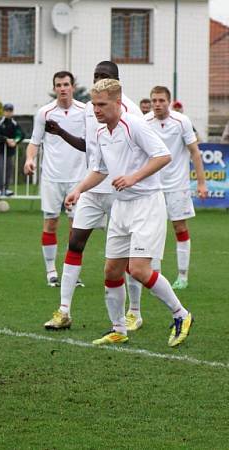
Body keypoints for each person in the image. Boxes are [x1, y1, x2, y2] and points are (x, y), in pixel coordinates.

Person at [64, 78, 193, 347]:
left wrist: (134, 177)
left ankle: (181, 314)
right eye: (94, 105)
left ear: (118, 103)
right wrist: (79, 190)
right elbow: (99, 170)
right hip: (121, 206)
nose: (96, 110)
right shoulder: (100, 133)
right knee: (112, 270)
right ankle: (118, 329)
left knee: (138, 269)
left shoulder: (134, 125)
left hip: (147, 204)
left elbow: (163, 155)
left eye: (102, 105)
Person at [42, 61, 144, 331]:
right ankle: (63, 311)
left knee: (129, 255)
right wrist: (62, 133)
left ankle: (134, 311)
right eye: (96, 75)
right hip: (92, 185)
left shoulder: (131, 111)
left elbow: (141, 152)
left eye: (105, 76)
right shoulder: (91, 108)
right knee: (75, 243)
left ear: (117, 82)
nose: (99, 80)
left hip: (120, 191)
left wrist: (131, 179)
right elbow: (91, 148)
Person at [24, 71, 87, 287]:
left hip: (78, 178)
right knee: (50, 223)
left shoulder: (85, 111)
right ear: (54, 88)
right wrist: (29, 159)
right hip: (52, 176)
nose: (62, 88)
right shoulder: (44, 112)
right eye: (58, 85)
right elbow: (34, 141)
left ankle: (72, 272)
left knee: (76, 228)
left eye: (66, 84)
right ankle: (51, 271)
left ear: (73, 86)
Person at [144, 85, 207, 294]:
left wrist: (201, 183)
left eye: (161, 100)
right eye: (154, 100)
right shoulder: (144, 123)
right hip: (152, 187)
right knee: (153, 231)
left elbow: (195, 153)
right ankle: (155, 274)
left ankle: (182, 275)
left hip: (177, 186)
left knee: (179, 228)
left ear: (168, 101)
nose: (157, 104)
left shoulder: (182, 121)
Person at [0, 103, 24, 198]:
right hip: (0, 151)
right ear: (3, 111)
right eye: (7, 110)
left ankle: (6, 189)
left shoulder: (14, 124)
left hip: (10, 152)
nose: (8, 112)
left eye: (10, 111)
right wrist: (6, 140)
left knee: (8, 170)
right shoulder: (0, 122)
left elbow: (21, 134)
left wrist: (15, 141)